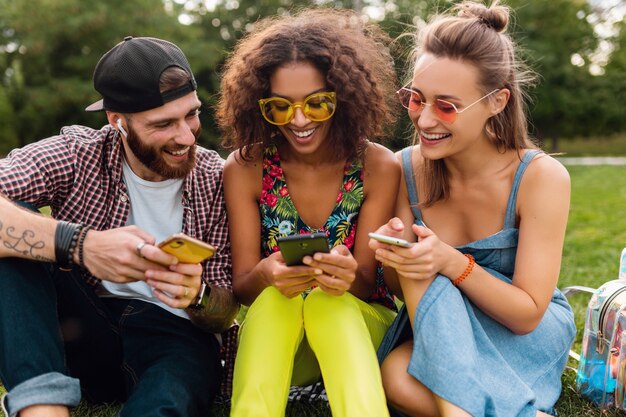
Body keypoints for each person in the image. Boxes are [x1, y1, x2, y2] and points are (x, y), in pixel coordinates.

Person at [0, 36, 239, 417]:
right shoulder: (78, 153)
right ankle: (43, 409)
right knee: (13, 231)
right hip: (81, 330)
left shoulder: (218, 177)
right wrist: (80, 244)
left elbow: (227, 310)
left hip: (175, 341)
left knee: (174, 384)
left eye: (190, 114)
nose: (186, 135)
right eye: (163, 123)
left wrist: (198, 294)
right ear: (118, 123)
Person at [369, 2, 576, 416]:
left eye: (446, 106)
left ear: (497, 102)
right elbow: (400, 288)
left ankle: (456, 410)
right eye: (415, 99)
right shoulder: (406, 166)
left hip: (518, 334)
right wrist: (396, 255)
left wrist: (449, 262)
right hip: (442, 330)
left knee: (404, 373)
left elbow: (527, 316)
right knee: (392, 373)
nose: (425, 120)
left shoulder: (540, 177)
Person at [216, 8, 400, 417]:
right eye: (280, 107)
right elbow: (244, 288)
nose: (298, 120)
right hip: (286, 345)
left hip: (360, 330)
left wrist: (346, 277)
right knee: (273, 301)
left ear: (345, 97)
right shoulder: (246, 169)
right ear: (259, 105)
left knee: (325, 303)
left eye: (317, 103)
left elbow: (369, 284)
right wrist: (266, 274)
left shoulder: (379, 167)